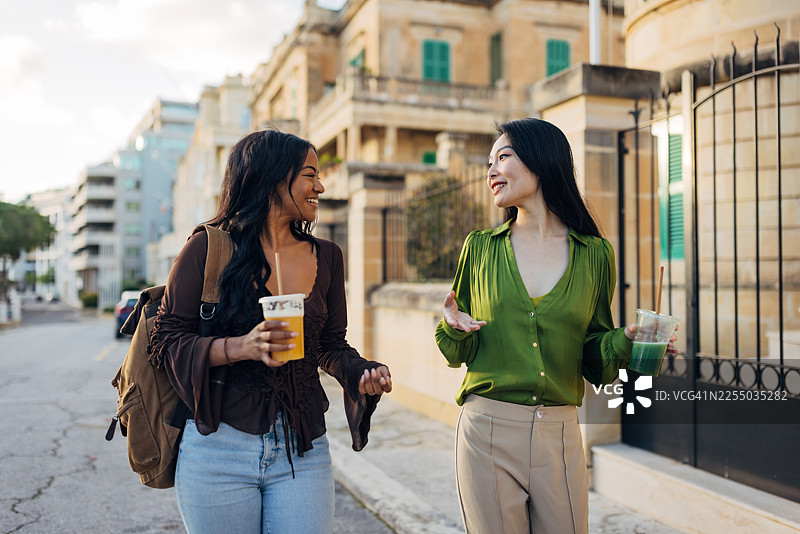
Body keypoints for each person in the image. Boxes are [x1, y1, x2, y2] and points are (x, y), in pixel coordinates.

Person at [435, 118, 678, 534]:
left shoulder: (595, 254)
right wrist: (453, 328)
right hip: (487, 431)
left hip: (562, 434)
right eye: (488, 162)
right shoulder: (479, 249)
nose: (490, 171)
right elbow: (458, 353)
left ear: (541, 161)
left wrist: (624, 340)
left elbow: (594, 359)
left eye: (503, 157)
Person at [149, 129, 392, 534]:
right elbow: (166, 339)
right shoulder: (207, 249)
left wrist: (361, 373)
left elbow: (329, 345)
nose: (321, 185)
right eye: (309, 175)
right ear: (274, 179)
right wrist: (241, 347)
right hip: (218, 449)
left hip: (303, 450)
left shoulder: (328, 257)